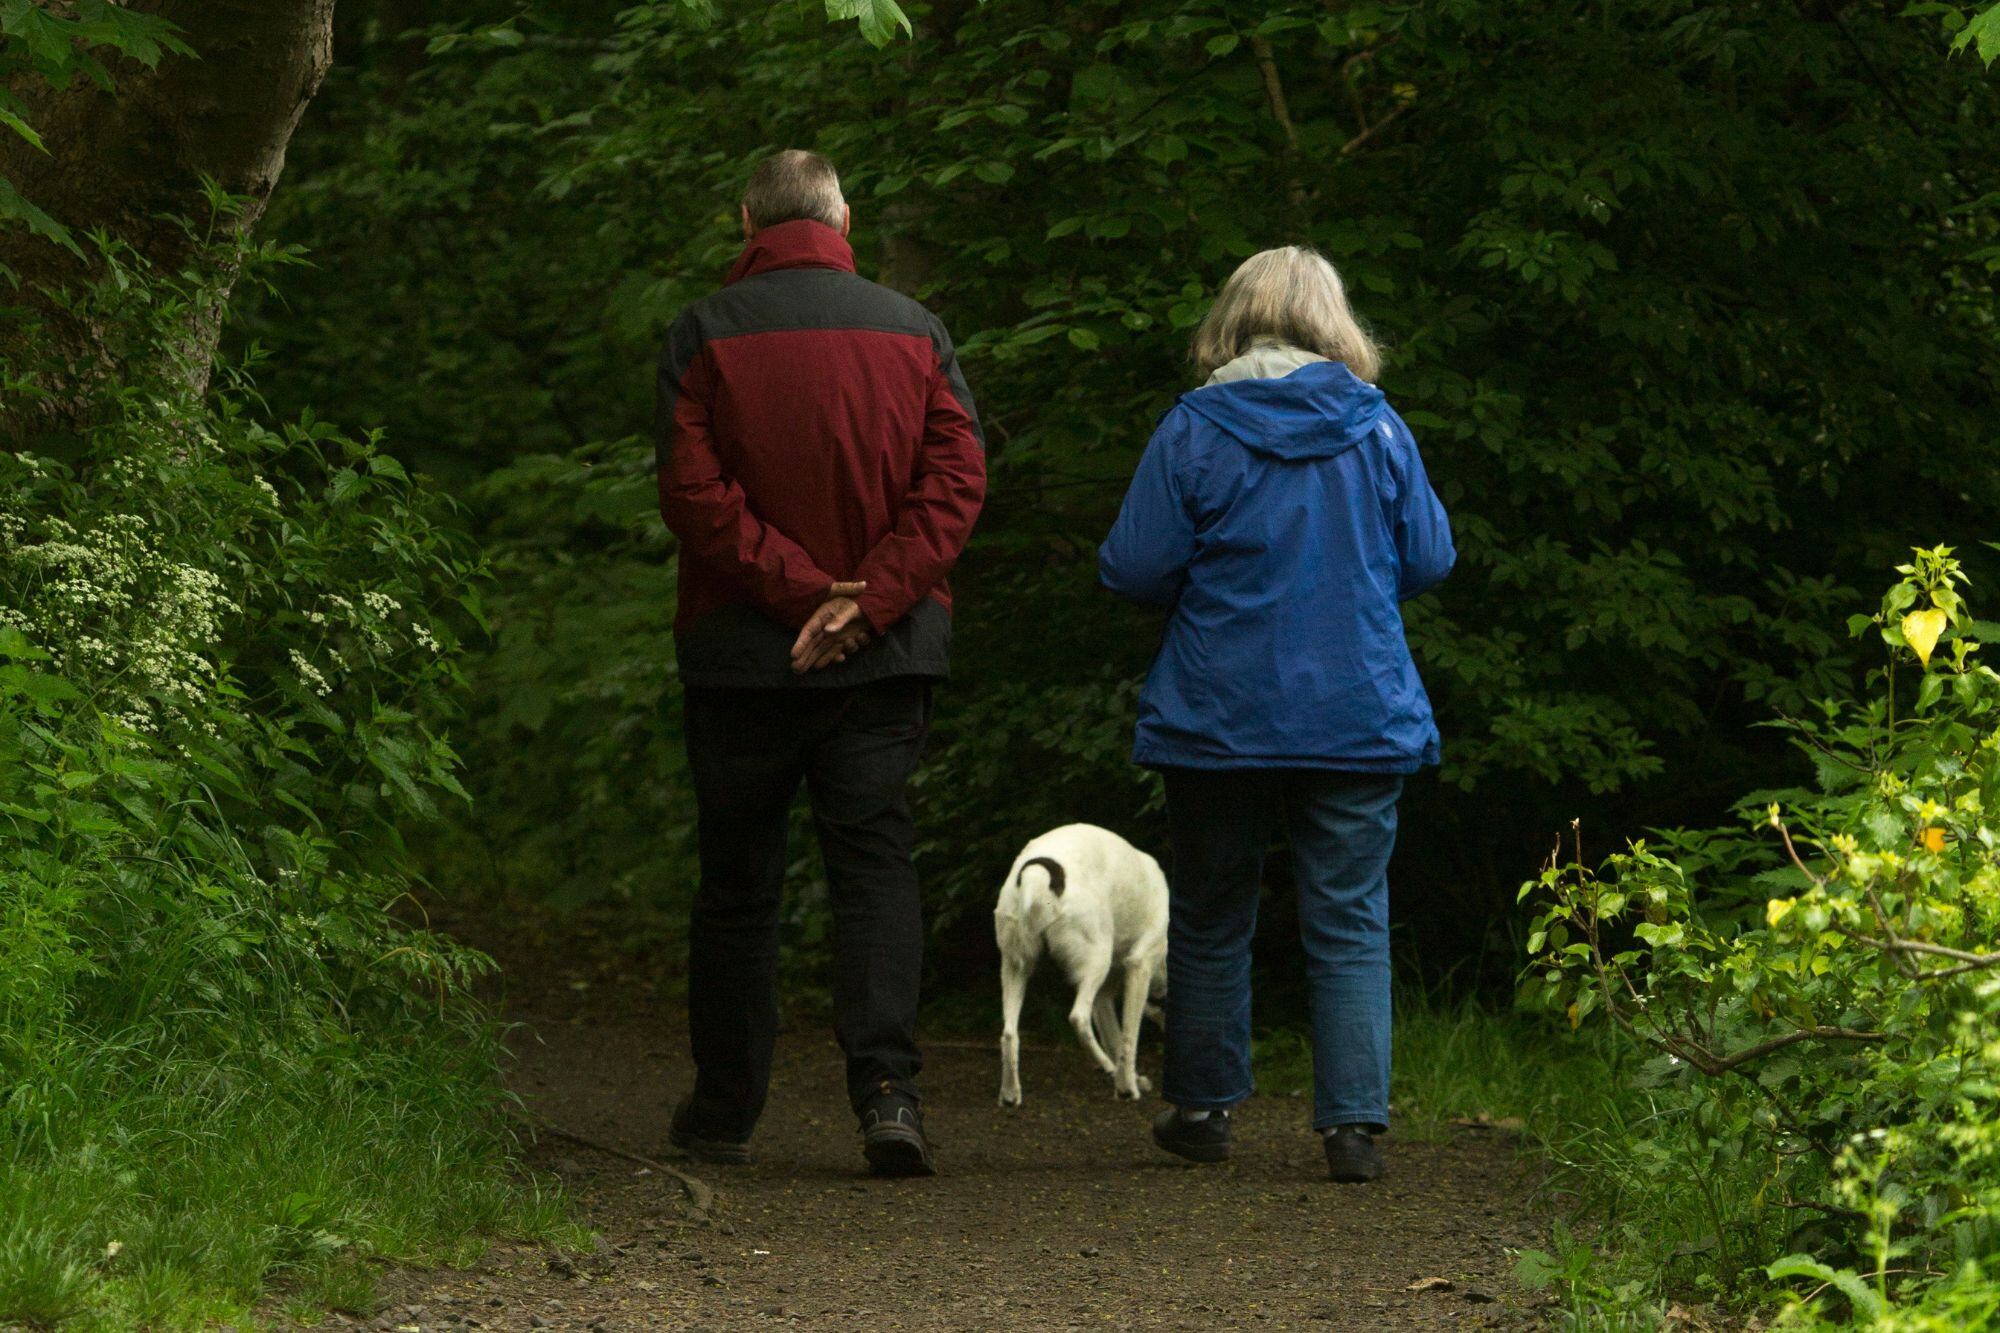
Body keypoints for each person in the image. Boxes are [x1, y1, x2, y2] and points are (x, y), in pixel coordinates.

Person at [655, 150, 985, 1177]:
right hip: (883, 655)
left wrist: (808, 595)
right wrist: (864, 602)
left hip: (742, 654)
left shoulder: (704, 331)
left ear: (746, 218)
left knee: (738, 882)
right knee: (874, 868)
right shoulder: (915, 329)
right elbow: (956, 482)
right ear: (843, 219)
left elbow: (693, 494)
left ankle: (723, 1111)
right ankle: (889, 1096)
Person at [1098, 246, 1454, 1183]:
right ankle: (1353, 1130)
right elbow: (1429, 556)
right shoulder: (1377, 427)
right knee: (1351, 917)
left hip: (1219, 711)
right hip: (1356, 707)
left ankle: (1203, 1110)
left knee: (1211, 912)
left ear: (1234, 319)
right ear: (1334, 323)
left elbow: (1132, 567)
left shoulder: (1194, 426)